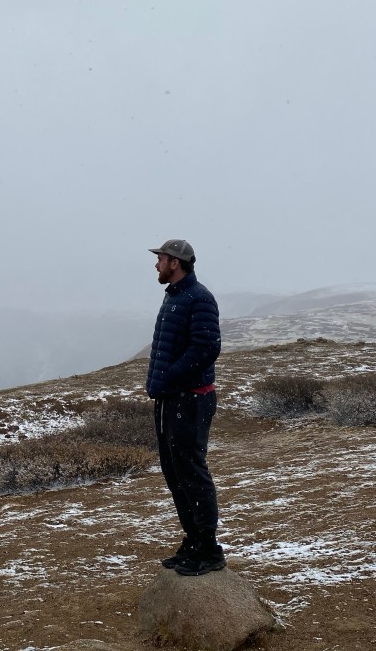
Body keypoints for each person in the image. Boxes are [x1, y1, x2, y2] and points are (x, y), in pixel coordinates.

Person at [145, 239, 225, 576]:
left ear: (175, 263)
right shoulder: (174, 296)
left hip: (190, 398)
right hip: (170, 399)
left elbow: (206, 348)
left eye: (161, 259)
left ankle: (208, 548)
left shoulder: (199, 297)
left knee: (191, 471)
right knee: (173, 470)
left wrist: (168, 378)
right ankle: (193, 540)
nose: (156, 264)